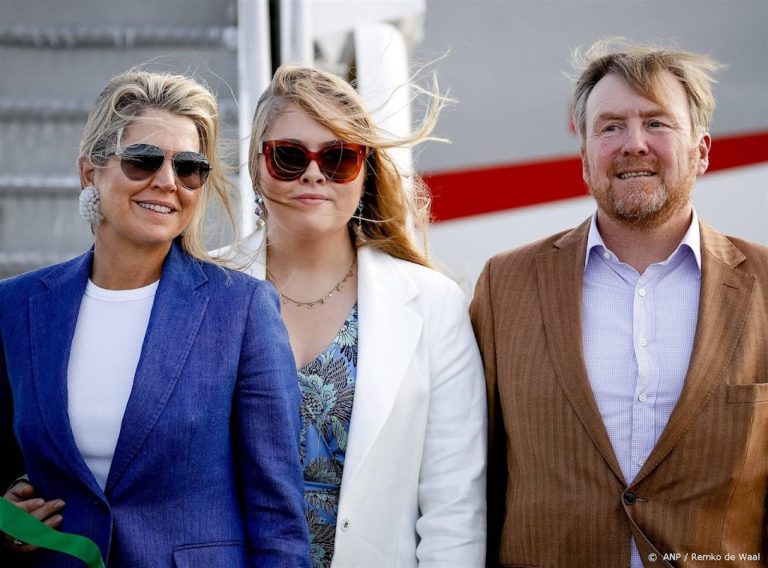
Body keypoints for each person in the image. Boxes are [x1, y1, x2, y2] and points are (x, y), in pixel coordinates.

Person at [471, 38, 768, 568]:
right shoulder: (504, 285)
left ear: (701, 151)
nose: (634, 144)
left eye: (657, 123)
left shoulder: (764, 285)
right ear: (585, 159)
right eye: (610, 127)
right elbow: (474, 480)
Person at [0, 69, 310, 567]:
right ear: (90, 172)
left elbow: (277, 515)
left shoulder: (242, 310)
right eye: (143, 160)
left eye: (189, 167)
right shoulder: (17, 306)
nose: (167, 182)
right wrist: (7, 521)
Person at [217, 65, 487, 567]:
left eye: (338, 158)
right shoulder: (203, 288)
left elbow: (453, 508)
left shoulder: (435, 304)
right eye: (289, 156)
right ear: (257, 166)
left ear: (364, 172)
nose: (313, 174)